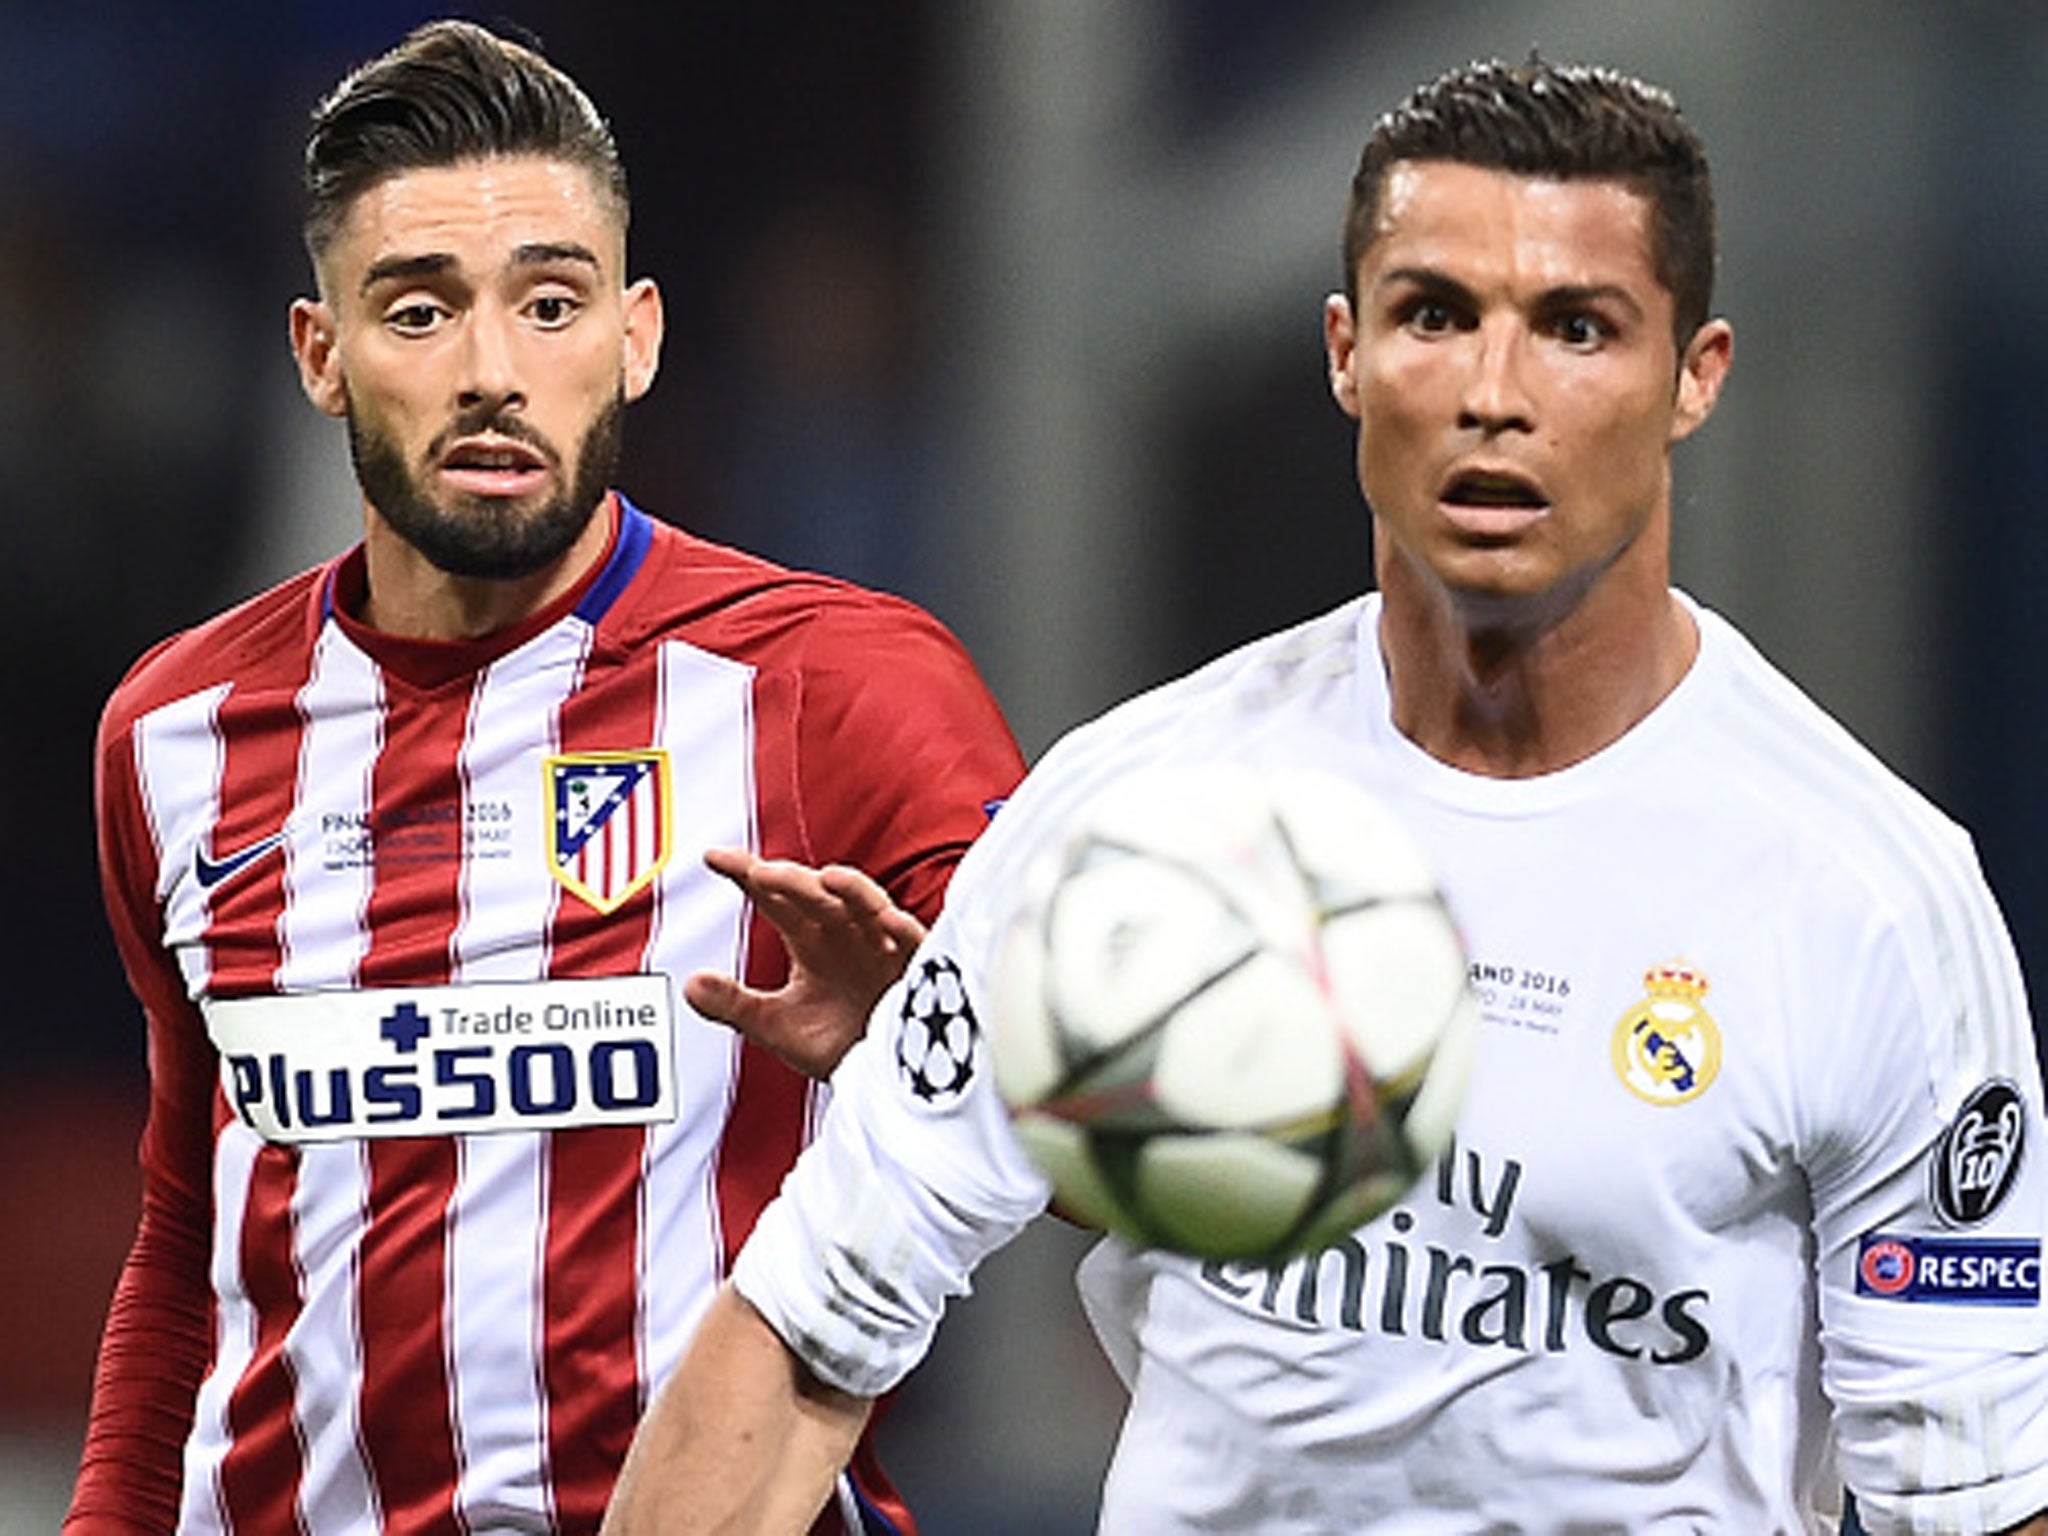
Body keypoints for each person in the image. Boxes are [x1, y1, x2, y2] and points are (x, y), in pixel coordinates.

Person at [600, 56, 2048, 1535]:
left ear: (1696, 376)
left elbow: (1977, 1499)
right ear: (1347, 353)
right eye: (1437, 315)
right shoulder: (1136, 813)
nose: (1496, 394)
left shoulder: (1869, 898)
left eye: (1575, 328)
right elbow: (796, 1339)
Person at [65, 19, 1023, 1536]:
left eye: (551, 303)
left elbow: (1119, 1139)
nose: (493, 373)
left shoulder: (841, 691)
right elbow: (192, 1234)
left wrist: (925, 1077)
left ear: (636, 334)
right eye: (421, 311)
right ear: (322, 354)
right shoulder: (176, 733)